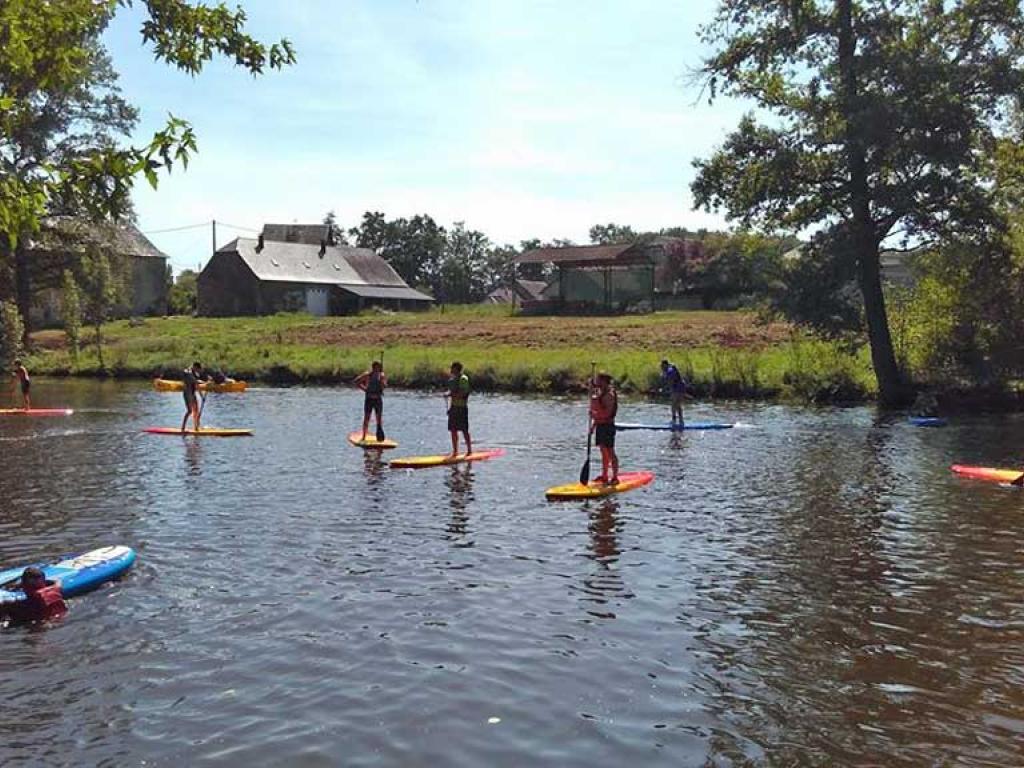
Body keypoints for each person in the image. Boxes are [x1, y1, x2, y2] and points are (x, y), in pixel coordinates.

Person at [0, 566, 67, 624]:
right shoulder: (56, 588)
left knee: (5, 607)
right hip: (60, 617)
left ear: (24, 585)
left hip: (37, 620)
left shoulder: (28, 598)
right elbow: (58, 581)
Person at [590, 371, 619, 485]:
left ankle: (615, 477)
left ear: (604, 381)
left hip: (607, 426)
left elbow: (607, 414)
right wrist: (593, 426)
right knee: (603, 451)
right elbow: (598, 410)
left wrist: (594, 415)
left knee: (610, 451)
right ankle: (605, 475)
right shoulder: (600, 393)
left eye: (598, 380)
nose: (596, 382)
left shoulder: (609, 395)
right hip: (600, 425)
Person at [354, 360, 387, 441]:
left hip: (378, 400)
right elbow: (356, 381)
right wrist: (365, 389)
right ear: (373, 367)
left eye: (379, 368)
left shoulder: (382, 375)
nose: (377, 369)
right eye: (376, 368)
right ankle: (364, 436)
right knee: (367, 418)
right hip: (369, 399)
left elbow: (384, 386)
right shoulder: (368, 375)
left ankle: (379, 435)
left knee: (379, 419)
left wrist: (382, 381)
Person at [445, 361, 472, 457]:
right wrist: (448, 393)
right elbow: (451, 391)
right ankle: (455, 452)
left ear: (457, 369)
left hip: (461, 407)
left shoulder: (463, 379)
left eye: (452, 368)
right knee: (453, 430)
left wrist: (452, 395)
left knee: (464, 430)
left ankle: (469, 451)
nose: (451, 370)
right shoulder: (453, 379)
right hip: (453, 407)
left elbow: (463, 393)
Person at [180, 361, 207, 433]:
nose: (199, 371)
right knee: (189, 411)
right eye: (198, 369)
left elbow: (196, 385)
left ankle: (196, 427)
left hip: (192, 393)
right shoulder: (187, 371)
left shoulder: (195, 374)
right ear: (195, 367)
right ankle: (182, 428)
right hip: (187, 394)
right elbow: (195, 382)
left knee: (196, 410)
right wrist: (201, 396)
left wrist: (202, 397)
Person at [660, 359, 688, 426]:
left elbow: (670, 381)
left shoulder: (670, 371)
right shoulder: (670, 369)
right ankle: (681, 421)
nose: (661, 367)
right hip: (680, 387)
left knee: (674, 405)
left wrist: (664, 389)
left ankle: (674, 421)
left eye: (662, 366)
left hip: (678, 388)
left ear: (665, 365)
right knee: (678, 405)